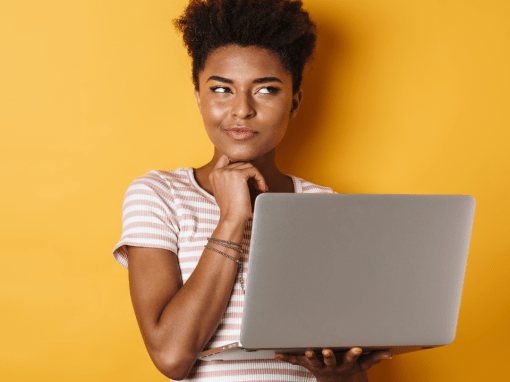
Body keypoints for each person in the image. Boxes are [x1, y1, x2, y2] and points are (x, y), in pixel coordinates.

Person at [112, 0, 393, 380]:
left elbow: (343, 368)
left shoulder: (323, 205)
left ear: (295, 100)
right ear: (198, 95)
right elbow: (171, 357)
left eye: (265, 90)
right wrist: (231, 218)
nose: (241, 109)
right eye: (221, 89)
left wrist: (338, 372)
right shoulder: (160, 195)